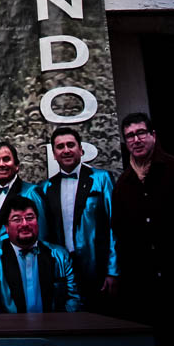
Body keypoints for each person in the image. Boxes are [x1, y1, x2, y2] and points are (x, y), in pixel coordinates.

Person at [112, 112, 174, 346]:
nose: (136, 140)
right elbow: (121, 235)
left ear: (153, 135)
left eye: (141, 133)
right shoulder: (123, 185)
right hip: (142, 286)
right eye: (130, 136)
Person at [39, 126, 118, 311]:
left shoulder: (102, 179)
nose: (66, 150)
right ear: (54, 154)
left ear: (81, 150)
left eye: (70, 145)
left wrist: (113, 270)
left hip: (97, 266)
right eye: (60, 147)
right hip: (63, 270)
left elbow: (114, 225)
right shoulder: (46, 187)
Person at [0, 195, 81, 314]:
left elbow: (74, 298)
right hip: (7, 325)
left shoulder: (60, 254)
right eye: (17, 219)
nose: (25, 224)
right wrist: (8, 324)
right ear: (6, 228)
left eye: (30, 218)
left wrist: (56, 323)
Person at [0, 140, 47, 245]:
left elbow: (41, 236)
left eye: (6, 159)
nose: (1, 164)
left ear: (17, 166)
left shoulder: (31, 192)